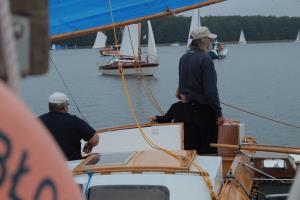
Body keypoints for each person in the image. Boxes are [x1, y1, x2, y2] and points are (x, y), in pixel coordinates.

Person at [179, 26, 225, 154]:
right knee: (208, 149)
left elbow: (180, 90)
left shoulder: (183, 58)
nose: (211, 42)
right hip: (204, 111)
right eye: (209, 39)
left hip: (187, 110)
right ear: (203, 40)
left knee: (192, 149)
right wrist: (219, 114)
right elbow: (211, 92)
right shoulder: (205, 60)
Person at [39, 92, 99, 161]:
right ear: (65, 107)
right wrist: (89, 144)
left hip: (48, 164)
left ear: (49, 106)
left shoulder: (37, 122)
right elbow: (95, 140)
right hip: (73, 163)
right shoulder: (74, 120)